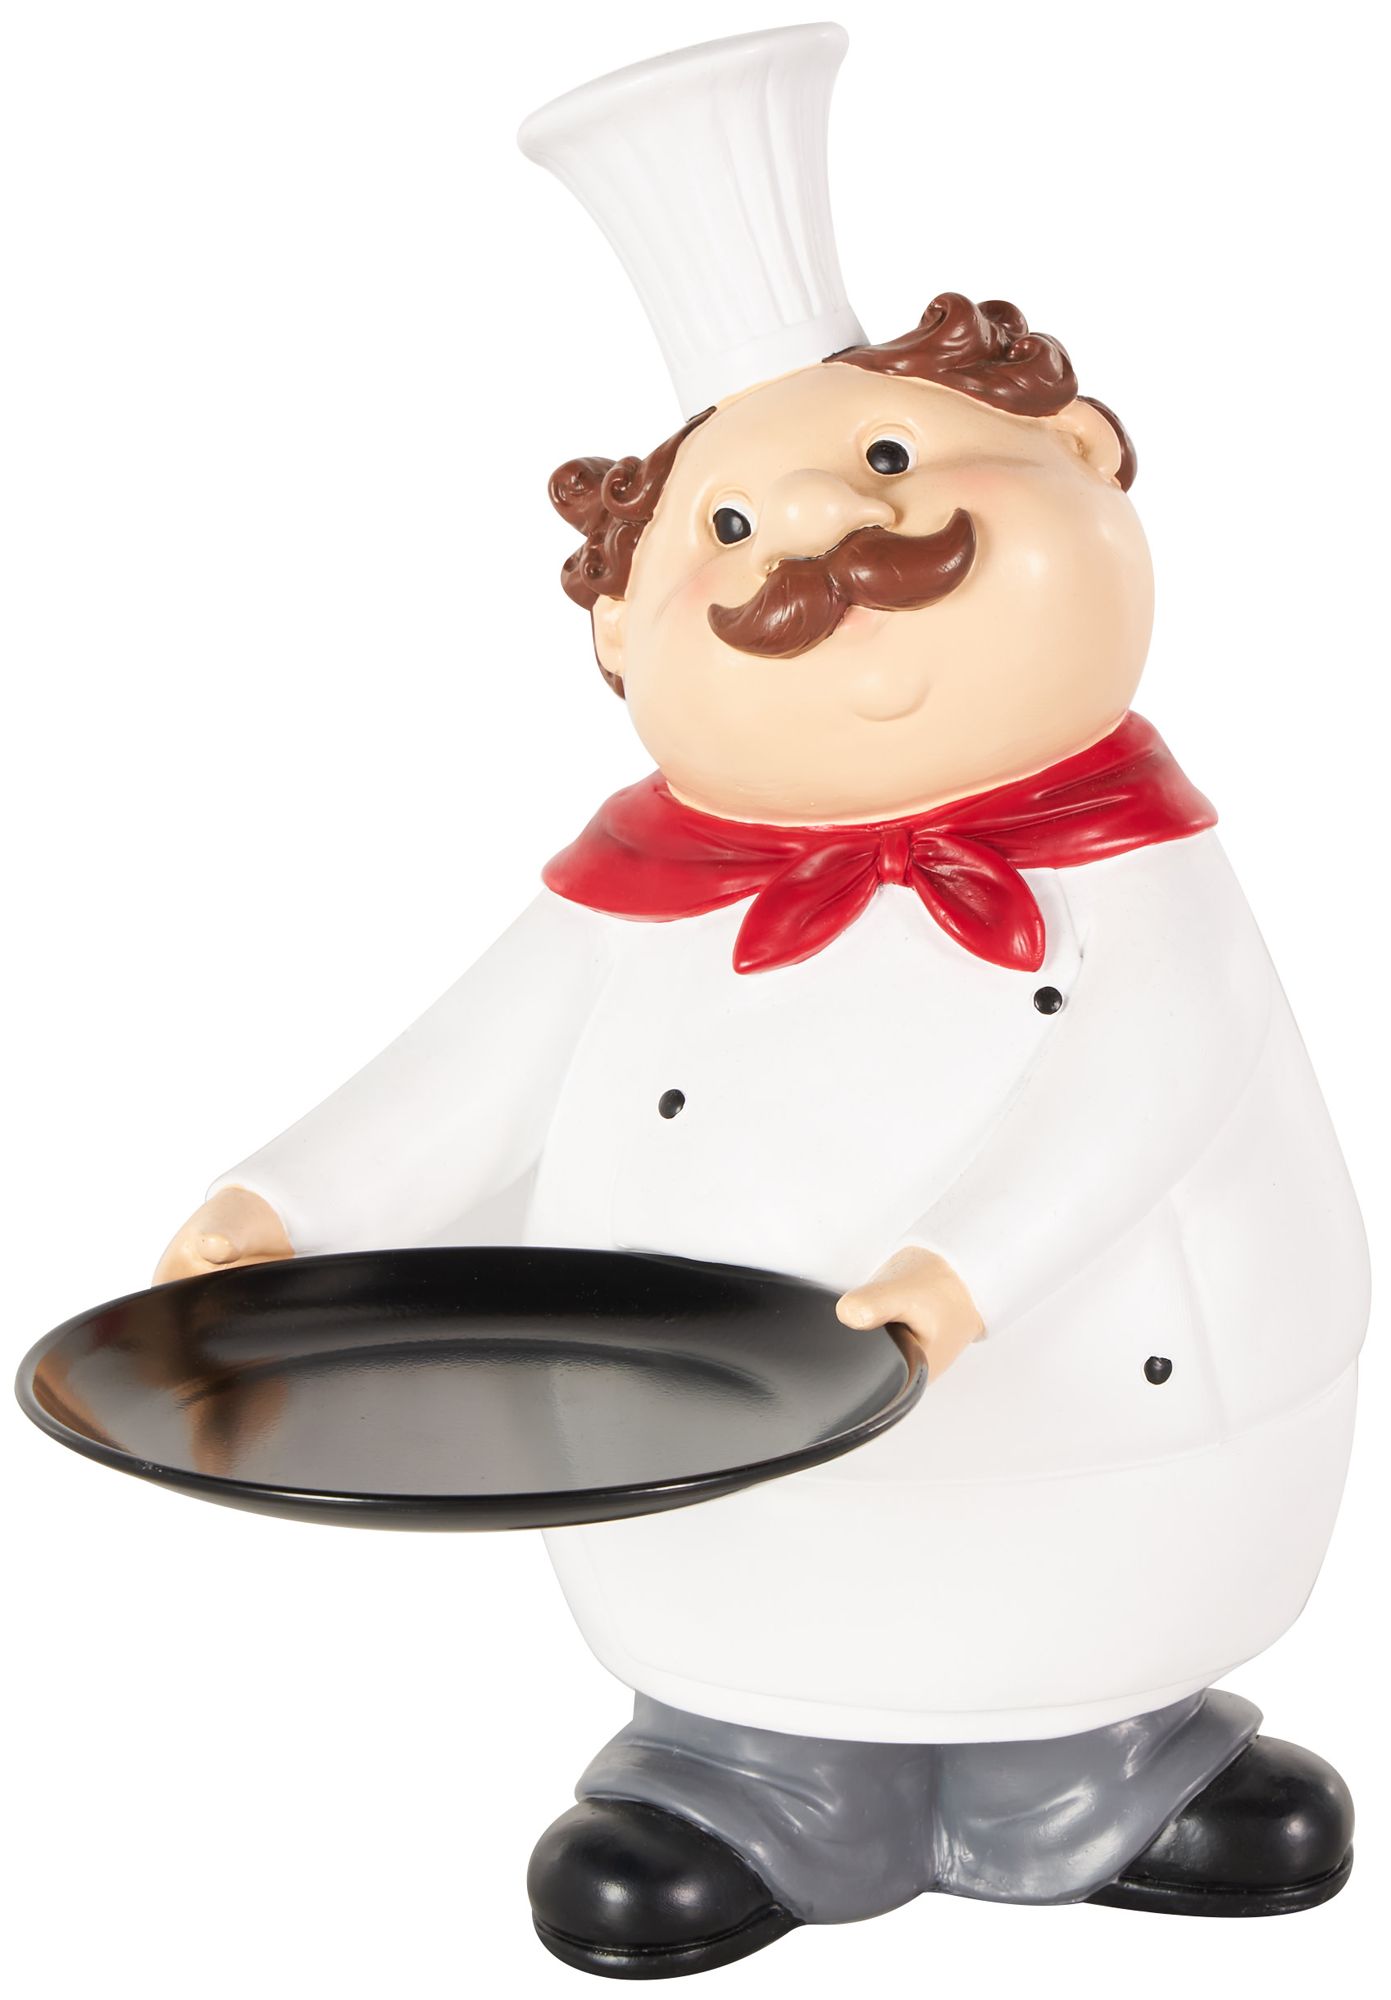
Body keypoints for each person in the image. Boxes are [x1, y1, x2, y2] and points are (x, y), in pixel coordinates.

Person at [154, 27, 1368, 1977]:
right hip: (702, 1463)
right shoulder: (629, 895)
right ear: (619, 633)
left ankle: (1101, 1762)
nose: (815, 536)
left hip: (1115, 1427)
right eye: (726, 528)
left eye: (886, 461)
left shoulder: (1143, 875)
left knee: (1079, 1587)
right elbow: (466, 1073)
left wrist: (963, 1275)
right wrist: (282, 1211)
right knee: (752, 1608)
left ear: (1082, 458)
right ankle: (754, 1780)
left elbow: (1150, 1083)